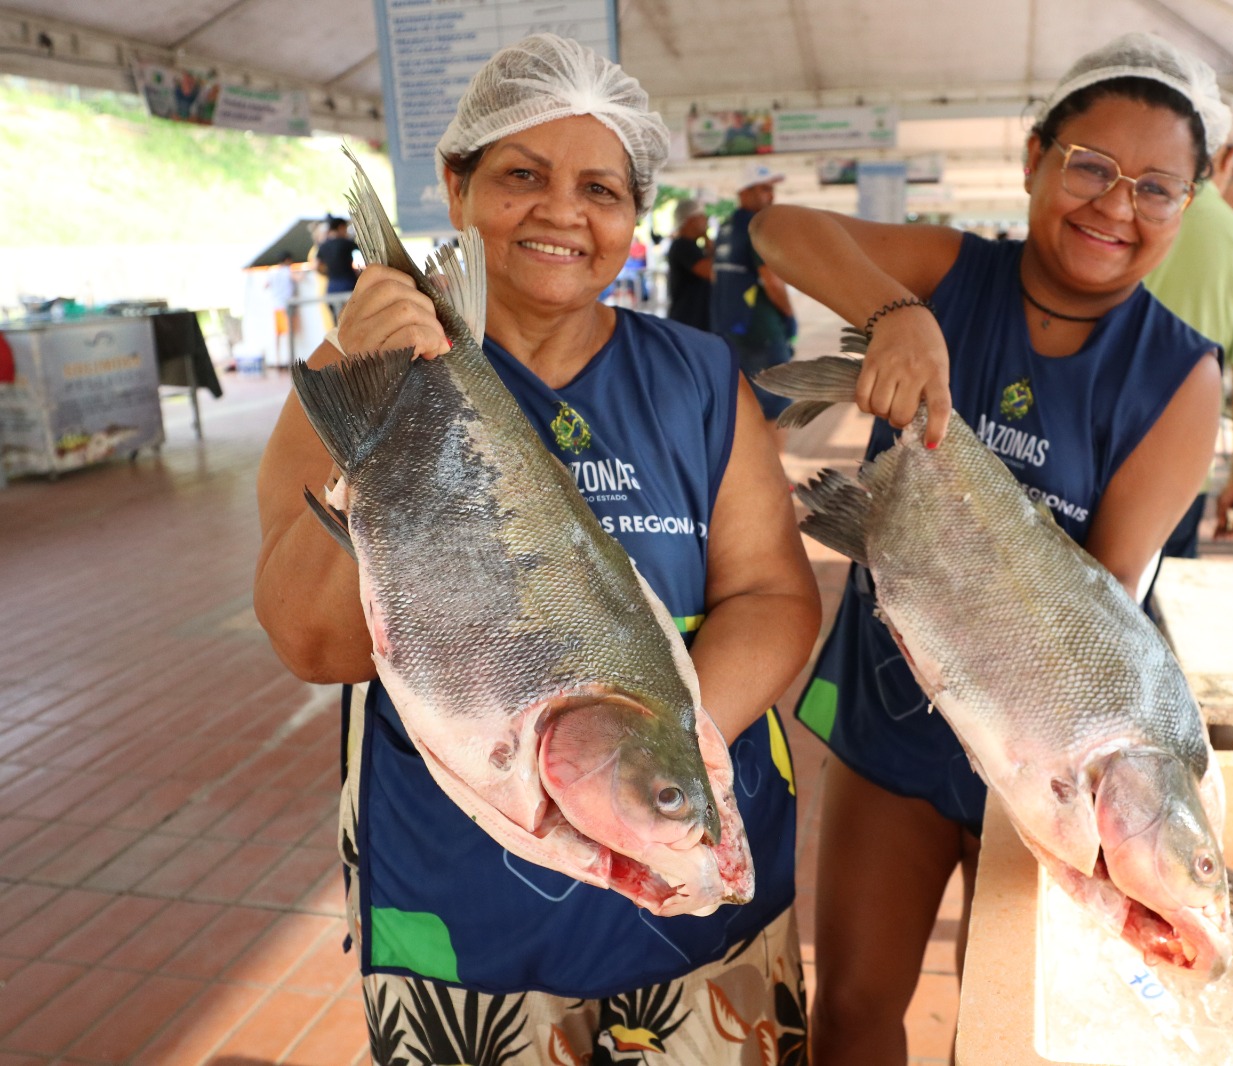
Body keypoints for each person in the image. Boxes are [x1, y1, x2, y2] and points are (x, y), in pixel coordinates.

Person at [253, 34, 820, 1063]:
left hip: (680, 879)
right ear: (454, 185)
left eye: (600, 188)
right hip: (460, 906)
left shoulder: (697, 376)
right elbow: (309, 640)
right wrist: (374, 402)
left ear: (631, 217)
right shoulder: (357, 371)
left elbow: (776, 596)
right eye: (521, 176)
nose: (563, 211)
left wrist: (664, 755)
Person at [751, 31, 1226, 1065]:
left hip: (1055, 745)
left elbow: (1104, 598)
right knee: (852, 1012)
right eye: (1089, 167)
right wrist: (895, 313)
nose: (1113, 206)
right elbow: (780, 230)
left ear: (1192, 200)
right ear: (1033, 160)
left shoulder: (1181, 377)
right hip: (899, 714)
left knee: (1003, 1030)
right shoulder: (953, 273)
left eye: (1155, 187)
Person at [1145, 120, 1233, 558]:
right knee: (1148, 607)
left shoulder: (1128, 206)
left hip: (1078, 442)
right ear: (1229, 157)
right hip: (1176, 464)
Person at [711, 161, 797, 425]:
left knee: (741, 407)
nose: (770, 195)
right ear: (744, 192)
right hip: (761, 331)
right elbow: (772, 281)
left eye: (771, 189)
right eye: (763, 188)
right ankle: (775, 466)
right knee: (776, 408)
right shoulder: (758, 227)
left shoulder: (725, 228)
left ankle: (748, 465)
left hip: (728, 330)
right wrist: (788, 315)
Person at [665, 198, 713, 330]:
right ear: (691, 220)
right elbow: (710, 272)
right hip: (687, 320)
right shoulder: (683, 245)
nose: (706, 220)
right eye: (702, 217)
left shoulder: (691, 245)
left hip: (693, 320)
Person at [314, 216, 361, 323]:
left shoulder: (323, 246)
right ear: (341, 227)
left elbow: (317, 266)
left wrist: (329, 272)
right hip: (349, 285)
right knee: (354, 321)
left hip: (331, 288)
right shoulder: (346, 243)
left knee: (338, 323)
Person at [265, 252, 300, 366]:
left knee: (278, 334)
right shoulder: (287, 271)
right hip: (286, 305)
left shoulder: (272, 271)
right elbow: (299, 278)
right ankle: (291, 359)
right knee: (289, 333)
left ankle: (278, 359)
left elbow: (265, 285)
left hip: (276, 305)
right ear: (287, 260)